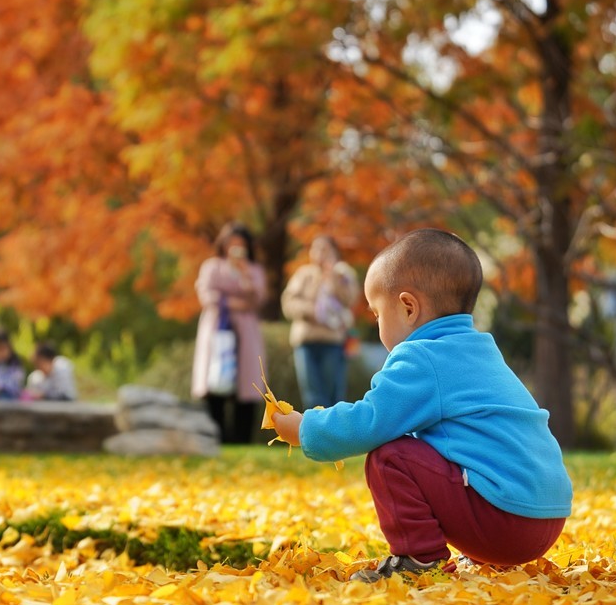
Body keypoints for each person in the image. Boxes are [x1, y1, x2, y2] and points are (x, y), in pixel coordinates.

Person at [271, 229, 573, 582]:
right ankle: (481, 558)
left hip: (506, 522)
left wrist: (306, 428)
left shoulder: (421, 357)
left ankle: (420, 561)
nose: (378, 325)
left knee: (390, 456)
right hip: (545, 517)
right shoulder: (480, 350)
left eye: (377, 314)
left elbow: (370, 421)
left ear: (408, 307)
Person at [191, 222, 267, 443]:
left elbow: (258, 298)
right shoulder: (212, 266)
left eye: (240, 245)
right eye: (231, 244)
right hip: (218, 329)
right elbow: (207, 296)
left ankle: (242, 438)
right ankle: (216, 436)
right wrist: (236, 302)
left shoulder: (253, 270)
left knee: (247, 385)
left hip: (246, 333)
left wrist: (243, 276)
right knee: (215, 383)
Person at [281, 235, 360, 409]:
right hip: (305, 341)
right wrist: (312, 311)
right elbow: (288, 303)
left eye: (325, 249)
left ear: (334, 253)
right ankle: (315, 433)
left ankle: (333, 434)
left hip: (333, 341)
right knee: (311, 393)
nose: (319, 254)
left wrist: (332, 278)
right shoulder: (304, 274)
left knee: (333, 393)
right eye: (315, 249)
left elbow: (350, 299)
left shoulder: (343, 275)